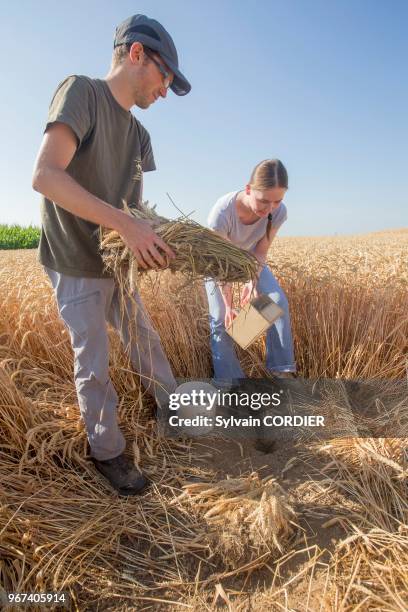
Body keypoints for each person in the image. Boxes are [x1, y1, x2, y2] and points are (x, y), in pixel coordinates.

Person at [32, 14, 191, 495]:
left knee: (145, 338)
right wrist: (126, 224)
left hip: (114, 263)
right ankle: (108, 452)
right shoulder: (81, 92)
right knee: (94, 361)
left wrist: (164, 240)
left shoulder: (140, 136)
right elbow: (46, 175)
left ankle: (176, 412)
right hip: (74, 257)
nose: (165, 90)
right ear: (137, 53)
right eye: (166, 76)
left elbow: (134, 207)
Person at [205, 159, 296, 380]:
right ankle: (231, 383)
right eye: (264, 201)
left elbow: (261, 251)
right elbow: (220, 265)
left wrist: (252, 281)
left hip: (250, 259)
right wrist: (229, 305)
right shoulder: (222, 213)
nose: (270, 209)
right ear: (248, 189)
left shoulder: (278, 212)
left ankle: (280, 371)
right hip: (217, 262)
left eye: (277, 201)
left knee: (275, 300)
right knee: (220, 319)